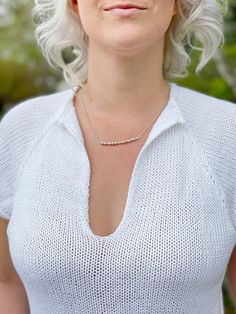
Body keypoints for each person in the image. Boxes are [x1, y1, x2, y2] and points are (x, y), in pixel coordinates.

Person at [0, 0, 235, 313]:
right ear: (73, 3)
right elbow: (7, 284)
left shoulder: (227, 134)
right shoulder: (20, 130)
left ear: (177, 3)